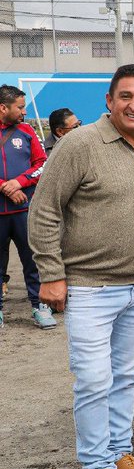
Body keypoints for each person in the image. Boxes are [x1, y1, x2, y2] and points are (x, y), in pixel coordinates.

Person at [29, 64, 134, 469]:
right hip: (89, 287)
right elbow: (45, 210)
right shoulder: (79, 144)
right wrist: (51, 273)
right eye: (126, 96)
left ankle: (120, 455)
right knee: (93, 381)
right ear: (109, 100)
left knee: (125, 377)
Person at [0, 84, 55, 330]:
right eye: (20, 107)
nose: (24, 112)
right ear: (3, 108)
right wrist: (6, 187)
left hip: (25, 211)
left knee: (33, 261)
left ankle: (39, 306)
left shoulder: (27, 131)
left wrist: (19, 182)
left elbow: (42, 164)